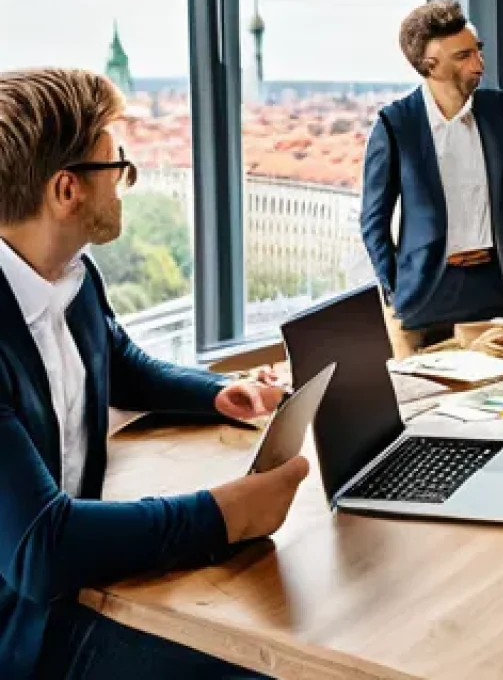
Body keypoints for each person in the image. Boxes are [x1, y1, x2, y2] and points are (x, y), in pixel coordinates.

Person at [0, 68, 309, 680]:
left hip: (80, 584)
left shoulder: (74, 277)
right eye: (117, 166)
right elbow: (41, 547)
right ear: (68, 190)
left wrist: (219, 392)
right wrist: (225, 515)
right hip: (26, 632)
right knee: (267, 666)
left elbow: (120, 362)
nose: (124, 183)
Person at [360, 0, 503, 355]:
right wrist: (395, 288)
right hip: (428, 290)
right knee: (430, 397)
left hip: (493, 284)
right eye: (462, 56)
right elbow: (373, 221)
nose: (478, 64)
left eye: (477, 51)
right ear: (430, 66)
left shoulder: (499, 111)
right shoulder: (396, 125)